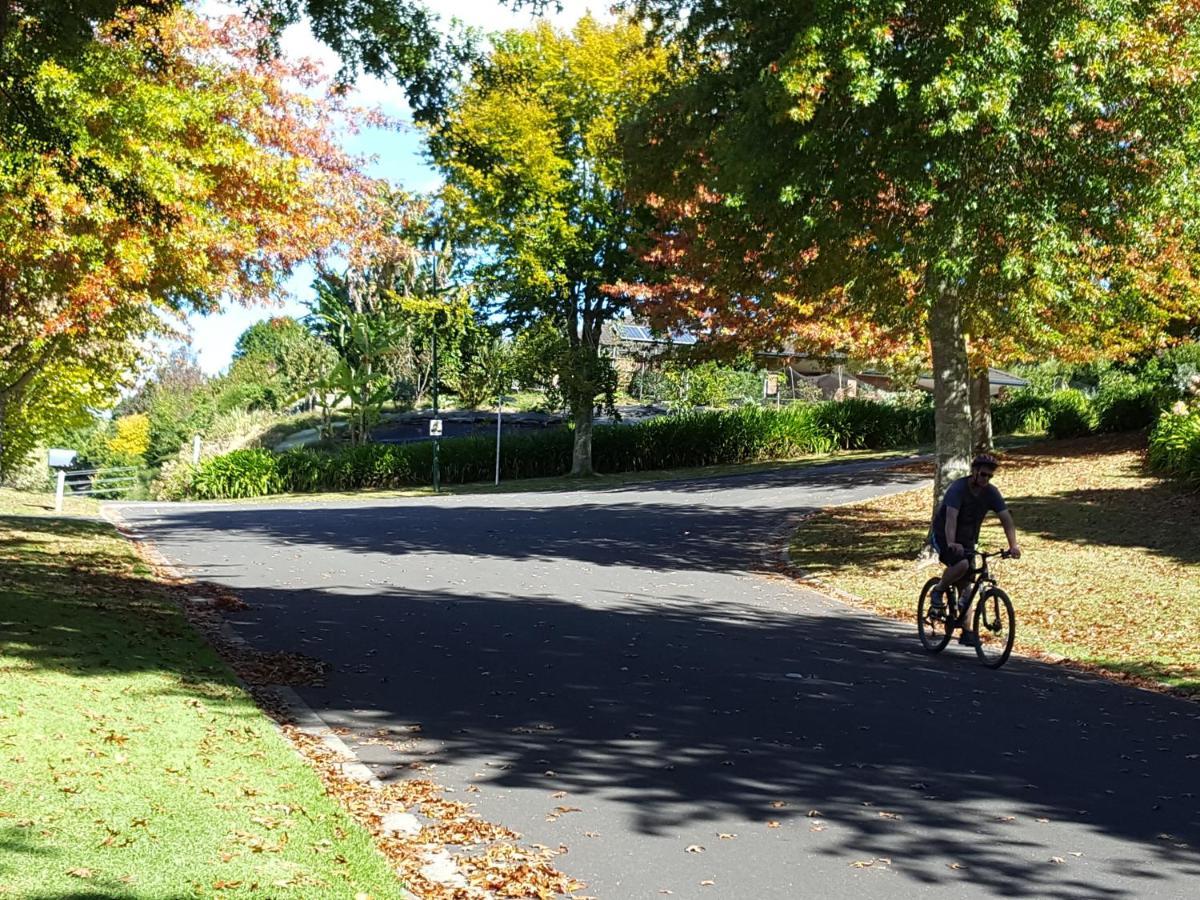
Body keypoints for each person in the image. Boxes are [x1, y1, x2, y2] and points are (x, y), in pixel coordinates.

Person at [928, 453, 1021, 645]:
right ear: (974, 472)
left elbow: (1006, 518)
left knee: (968, 585)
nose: (986, 479)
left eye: (990, 476)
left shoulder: (991, 493)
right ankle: (938, 590)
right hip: (945, 535)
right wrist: (952, 543)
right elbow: (951, 518)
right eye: (983, 475)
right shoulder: (958, 489)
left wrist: (1013, 545)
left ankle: (968, 632)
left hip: (968, 540)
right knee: (961, 565)